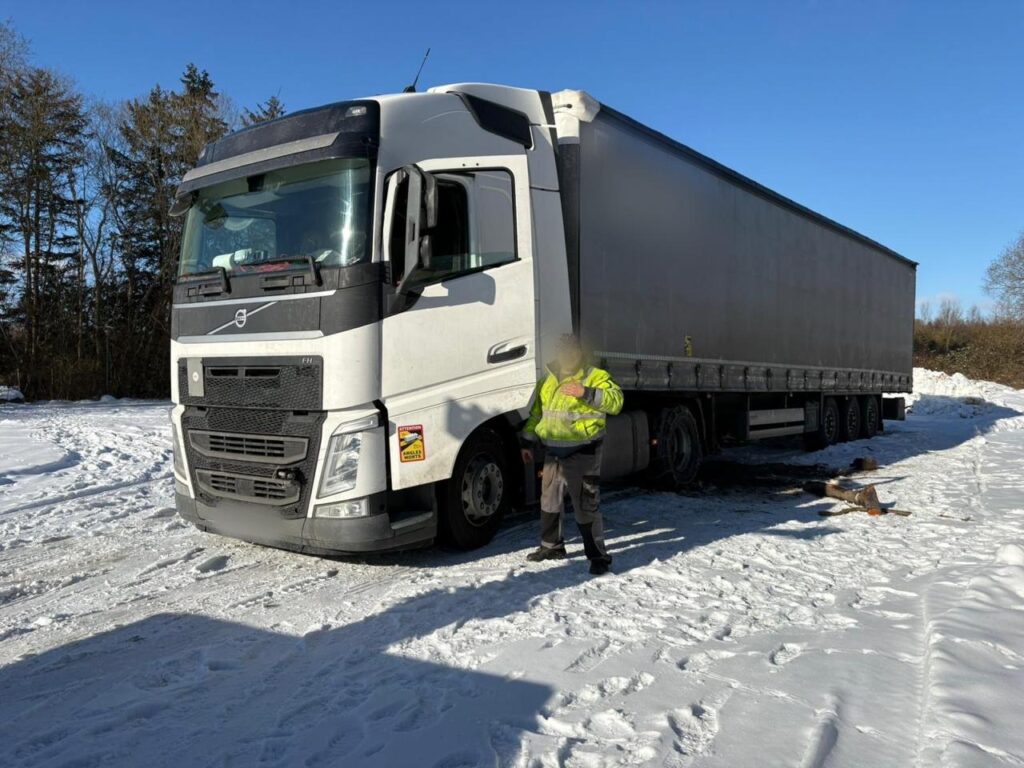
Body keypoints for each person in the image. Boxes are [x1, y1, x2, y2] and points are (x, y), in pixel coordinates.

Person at [520, 334, 624, 575]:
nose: (569, 357)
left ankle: (598, 557)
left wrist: (585, 392)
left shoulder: (595, 377)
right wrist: (526, 442)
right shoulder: (547, 381)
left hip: (583, 451)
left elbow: (616, 402)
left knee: (585, 505)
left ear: (580, 352)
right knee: (549, 500)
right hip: (553, 452)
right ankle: (551, 547)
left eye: (573, 352)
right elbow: (537, 414)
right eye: (564, 352)